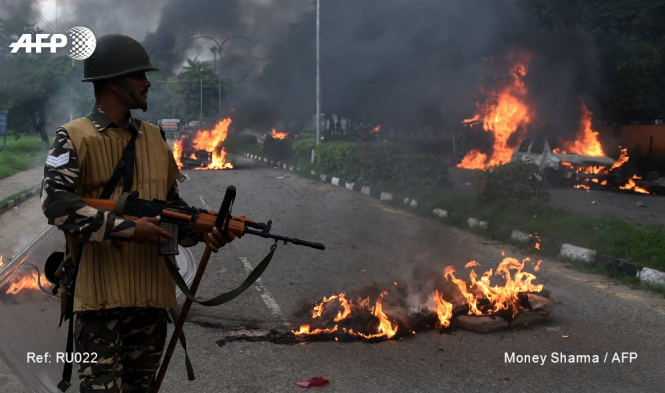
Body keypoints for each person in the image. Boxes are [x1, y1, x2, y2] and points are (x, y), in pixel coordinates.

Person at [40, 34, 233, 392]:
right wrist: (127, 228)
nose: (148, 83)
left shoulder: (155, 139)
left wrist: (203, 231)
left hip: (150, 299)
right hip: (99, 301)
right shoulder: (73, 137)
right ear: (114, 82)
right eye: (140, 75)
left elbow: (172, 212)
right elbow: (56, 204)